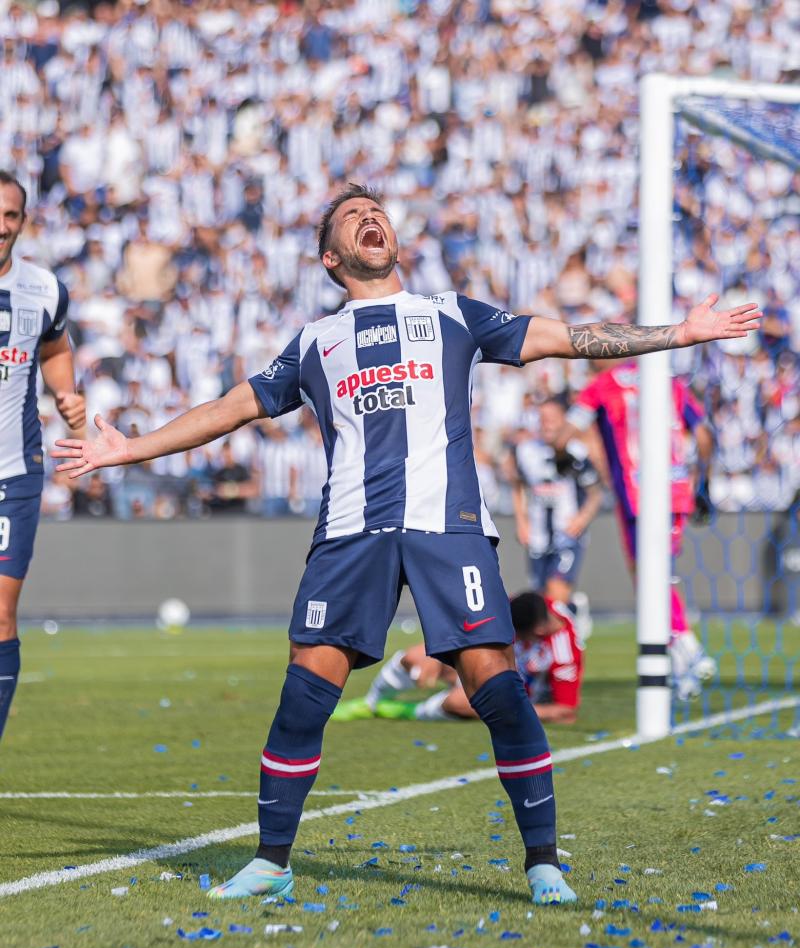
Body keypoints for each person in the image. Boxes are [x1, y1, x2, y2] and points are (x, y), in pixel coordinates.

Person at [53, 183, 761, 906]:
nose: (372, 219)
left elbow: (563, 337)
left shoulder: (452, 313)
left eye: (378, 213)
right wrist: (128, 449)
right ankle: (272, 860)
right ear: (332, 256)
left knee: (497, 684)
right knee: (305, 693)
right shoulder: (315, 342)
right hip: (351, 532)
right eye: (353, 218)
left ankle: (543, 861)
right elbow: (230, 409)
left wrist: (679, 332)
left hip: (445, 526)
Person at [567, 358, 717, 698]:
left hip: (637, 493)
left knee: (649, 577)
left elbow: (570, 426)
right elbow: (704, 433)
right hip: (676, 490)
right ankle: (682, 669)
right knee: (660, 573)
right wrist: (704, 483)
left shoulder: (604, 384)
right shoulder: (667, 380)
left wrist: (569, 454)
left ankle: (688, 648)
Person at [0, 171, 85, 742]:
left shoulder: (44, 289)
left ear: (23, 223)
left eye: (10, 215)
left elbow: (54, 345)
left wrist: (66, 393)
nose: (0, 226)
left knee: (1, 615)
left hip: (12, 475)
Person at [333, 590, 583, 725]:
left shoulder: (564, 655)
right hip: (482, 666)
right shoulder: (534, 605)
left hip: (510, 691)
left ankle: (401, 711)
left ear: (537, 632)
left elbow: (565, 711)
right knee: (417, 656)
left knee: (459, 701)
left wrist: (518, 711)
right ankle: (371, 702)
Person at [511, 397, 602, 635]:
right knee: (541, 601)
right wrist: (521, 521)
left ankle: (567, 647)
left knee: (554, 596)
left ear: (564, 420)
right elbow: (518, 486)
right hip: (539, 536)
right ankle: (574, 610)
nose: (547, 424)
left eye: (552, 419)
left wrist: (581, 519)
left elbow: (595, 493)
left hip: (566, 535)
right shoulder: (526, 451)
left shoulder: (576, 452)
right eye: (542, 419)